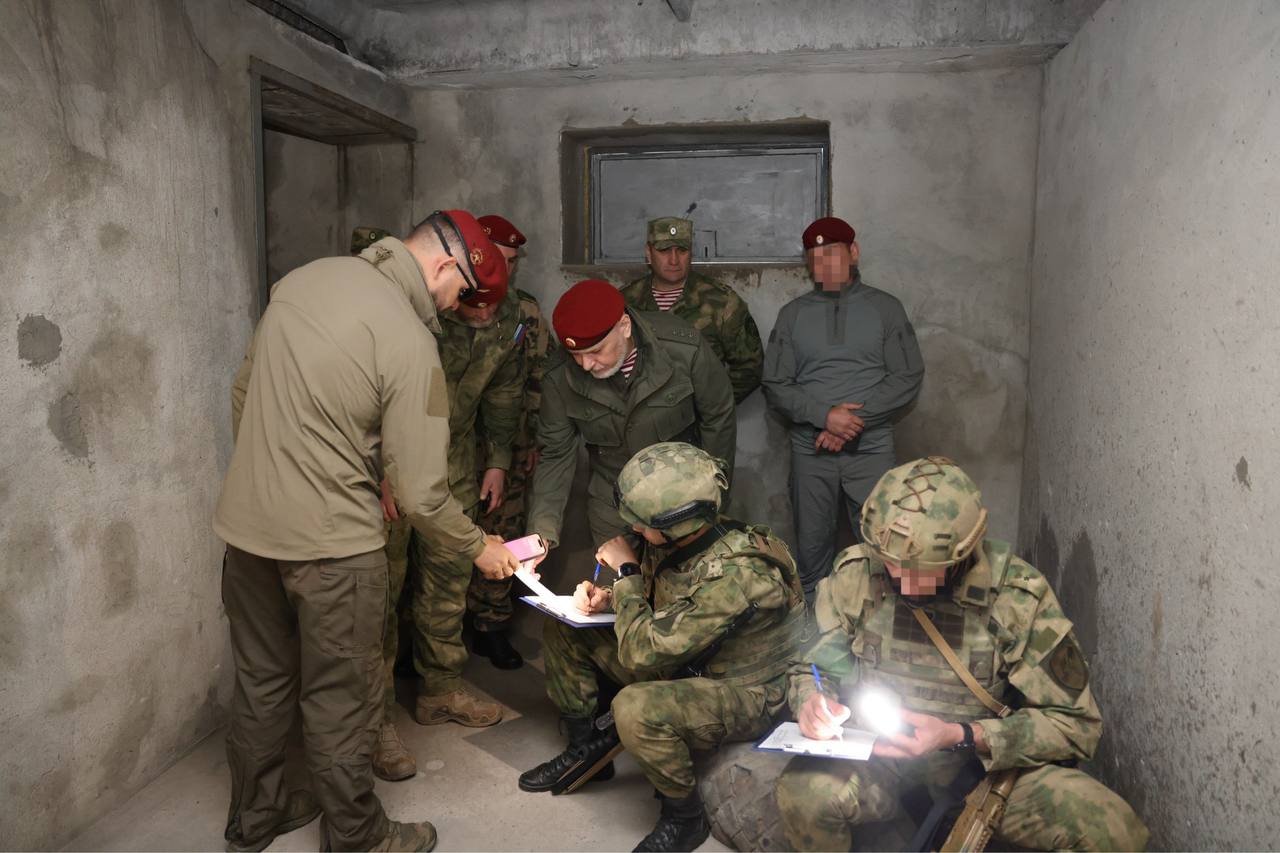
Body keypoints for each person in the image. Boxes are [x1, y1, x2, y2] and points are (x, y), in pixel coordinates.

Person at [216, 211, 521, 852]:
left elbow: (243, 395)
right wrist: (479, 548)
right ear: (444, 265)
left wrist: (276, 479)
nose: (456, 307)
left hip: (247, 532)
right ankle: (358, 838)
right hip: (334, 550)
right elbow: (421, 492)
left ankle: (256, 815)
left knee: (262, 682)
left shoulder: (301, 282)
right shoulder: (408, 339)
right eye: (461, 291)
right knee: (341, 696)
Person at [773, 457, 1149, 852]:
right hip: (882, 755)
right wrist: (813, 701)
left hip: (980, 765)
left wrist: (963, 735)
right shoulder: (858, 575)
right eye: (893, 565)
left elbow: (1075, 724)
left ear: (963, 554)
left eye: (922, 570)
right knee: (803, 792)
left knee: (1112, 828)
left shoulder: (1016, 599)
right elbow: (811, 667)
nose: (904, 582)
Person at [519, 443, 805, 852]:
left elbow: (640, 651)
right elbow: (669, 606)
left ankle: (685, 819)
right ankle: (586, 747)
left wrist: (627, 573)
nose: (634, 531)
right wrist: (608, 599)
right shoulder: (675, 540)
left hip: (747, 691)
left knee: (635, 708)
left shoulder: (740, 573)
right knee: (566, 628)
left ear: (678, 523)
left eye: (642, 524)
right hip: (688, 658)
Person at [762, 216, 924, 602]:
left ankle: (878, 628)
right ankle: (817, 630)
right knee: (812, 552)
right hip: (811, 449)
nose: (825, 266)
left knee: (884, 549)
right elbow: (775, 384)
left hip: (870, 449)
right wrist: (825, 417)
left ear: (853, 252)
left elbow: (907, 376)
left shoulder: (885, 309)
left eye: (832, 255)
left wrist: (851, 421)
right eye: (815, 259)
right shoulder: (793, 315)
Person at [526, 279, 736, 550]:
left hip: (683, 501)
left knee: (687, 575)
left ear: (624, 327)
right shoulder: (560, 376)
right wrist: (540, 534)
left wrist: (711, 498)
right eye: (576, 354)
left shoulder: (682, 348)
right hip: (613, 505)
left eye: (596, 351)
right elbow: (555, 454)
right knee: (615, 575)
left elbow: (718, 418)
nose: (586, 365)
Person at [467, 213, 548, 670]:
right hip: (456, 442)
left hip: (509, 443)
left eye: (514, 261)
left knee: (504, 529)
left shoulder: (525, 310)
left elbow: (537, 376)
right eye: (500, 258)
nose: (507, 269)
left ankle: (491, 624)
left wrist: (531, 438)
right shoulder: (449, 304)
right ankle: (434, 631)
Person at [620, 217, 763, 403]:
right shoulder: (624, 301)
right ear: (649, 252)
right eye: (664, 250)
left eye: (682, 250)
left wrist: (710, 406)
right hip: (638, 414)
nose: (674, 260)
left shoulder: (721, 301)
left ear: (691, 252)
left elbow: (750, 367)